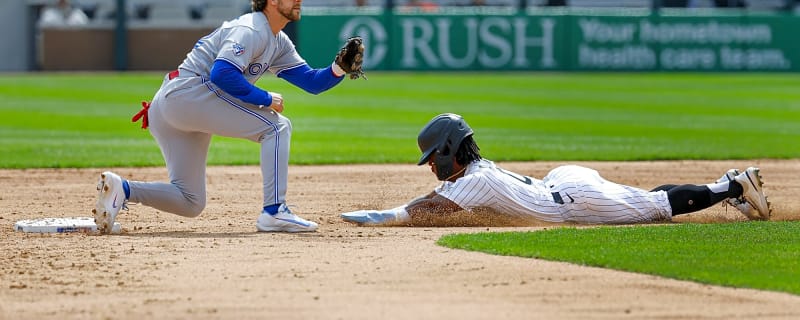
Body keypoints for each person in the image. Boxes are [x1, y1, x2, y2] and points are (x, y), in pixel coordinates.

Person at [93, 0, 364, 234]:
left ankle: (123, 189)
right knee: (276, 127)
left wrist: (337, 69)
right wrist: (265, 98)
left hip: (173, 104)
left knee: (190, 201)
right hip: (187, 94)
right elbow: (222, 73)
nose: (299, 0)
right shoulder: (252, 29)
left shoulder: (277, 40)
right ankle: (274, 212)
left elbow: (312, 82)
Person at [341, 113, 771, 226]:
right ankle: (725, 184)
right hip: (563, 183)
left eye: (434, 156)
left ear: (451, 150)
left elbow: (428, 207)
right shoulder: (477, 170)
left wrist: (388, 215)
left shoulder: (477, 180)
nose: (432, 166)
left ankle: (734, 186)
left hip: (576, 202)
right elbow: (440, 197)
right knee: (646, 200)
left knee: (655, 207)